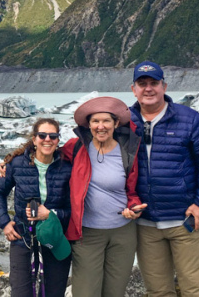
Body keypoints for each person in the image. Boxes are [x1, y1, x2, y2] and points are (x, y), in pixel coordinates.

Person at [130, 61, 199, 297]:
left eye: (154, 83)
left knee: (196, 291)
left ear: (164, 86)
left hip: (187, 221)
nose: (148, 89)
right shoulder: (124, 121)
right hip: (146, 224)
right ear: (134, 89)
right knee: (158, 292)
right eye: (142, 84)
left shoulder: (189, 118)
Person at [62, 96, 147, 296]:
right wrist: (10, 162)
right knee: (85, 292)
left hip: (123, 233)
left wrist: (134, 207)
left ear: (116, 123)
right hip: (87, 233)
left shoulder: (127, 151)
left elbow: (132, 191)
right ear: (89, 125)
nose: (101, 126)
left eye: (106, 121)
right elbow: (45, 155)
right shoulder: (76, 147)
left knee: (114, 292)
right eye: (95, 121)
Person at [0, 118, 72, 297]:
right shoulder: (17, 164)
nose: (47, 139)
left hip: (55, 237)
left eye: (53, 136)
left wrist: (50, 214)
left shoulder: (66, 167)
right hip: (23, 237)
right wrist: (4, 223)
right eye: (42, 135)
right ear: (34, 139)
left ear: (58, 140)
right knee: (21, 291)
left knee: (54, 292)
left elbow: (73, 208)